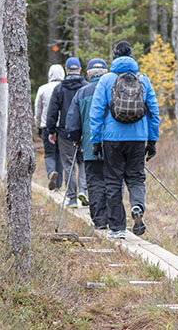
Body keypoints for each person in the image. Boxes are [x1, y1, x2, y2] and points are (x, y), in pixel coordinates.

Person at [89, 41, 160, 239]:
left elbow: (96, 113)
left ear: (114, 57)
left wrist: (95, 141)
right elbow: (154, 111)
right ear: (131, 56)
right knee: (136, 178)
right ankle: (137, 206)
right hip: (138, 138)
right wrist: (152, 140)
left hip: (112, 139)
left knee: (113, 181)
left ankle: (117, 228)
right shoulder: (143, 79)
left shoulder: (106, 80)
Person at [66, 58, 110, 228]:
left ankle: (99, 221)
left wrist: (76, 139)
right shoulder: (113, 89)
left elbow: (72, 122)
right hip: (114, 145)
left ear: (89, 74)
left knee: (95, 182)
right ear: (106, 73)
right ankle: (114, 219)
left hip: (91, 146)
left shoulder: (82, 93)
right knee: (113, 182)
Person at [47, 57, 88, 208]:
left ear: (66, 70)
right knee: (83, 161)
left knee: (68, 164)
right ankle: (83, 189)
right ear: (80, 70)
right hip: (84, 132)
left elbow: (52, 112)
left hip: (65, 133)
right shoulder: (86, 87)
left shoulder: (60, 88)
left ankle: (71, 198)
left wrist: (51, 131)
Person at [35, 64, 65, 190]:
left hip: (46, 126)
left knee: (49, 154)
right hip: (62, 127)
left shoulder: (43, 89)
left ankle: (51, 172)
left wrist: (38, 124)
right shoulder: (65, 88)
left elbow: (38, 108)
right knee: (60, 155)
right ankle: (58, 185)